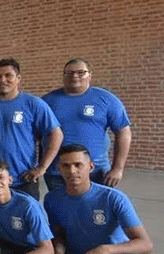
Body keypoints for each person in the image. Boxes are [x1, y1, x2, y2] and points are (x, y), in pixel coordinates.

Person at [0, 58, 63, 200]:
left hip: (24, 178)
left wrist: (42, 167)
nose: (3, 80)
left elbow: (56, 133)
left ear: (18, 78)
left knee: (27, 219)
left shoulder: (34, 104)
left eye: (8, 75)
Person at [42, 58, 131, 190]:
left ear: (90, 75)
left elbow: (123, 132)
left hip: (95, 171)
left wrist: (118, 168)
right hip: (57, 172)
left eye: (81, 72)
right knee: (60, 209)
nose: (75, 76)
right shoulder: (48, 101)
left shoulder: (106, 99)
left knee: (96, 210)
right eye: (70, 72)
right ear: (64, 76)